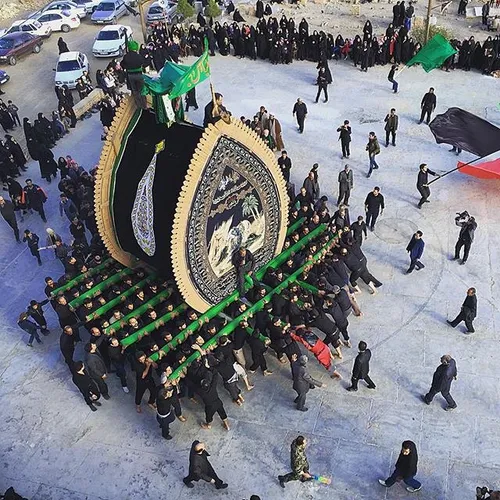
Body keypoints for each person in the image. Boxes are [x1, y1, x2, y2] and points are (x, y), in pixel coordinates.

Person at [121, 40, 147, 109]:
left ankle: (139, 106)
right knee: (141, 90)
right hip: (139, 75)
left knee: (135, 91)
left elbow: (122, 65)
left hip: (130, 76)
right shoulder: (138, 56)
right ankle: (144, 105)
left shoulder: (126, 56)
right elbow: (143, 62)